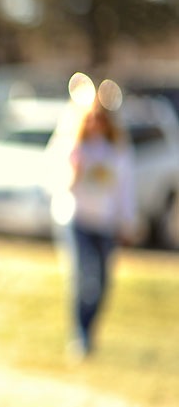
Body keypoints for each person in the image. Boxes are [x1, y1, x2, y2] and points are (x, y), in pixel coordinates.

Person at [52, 86, 135, 360]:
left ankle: (90, 330)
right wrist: (72, 175)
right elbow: (56, 184)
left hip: (106, 223)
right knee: (85, 278)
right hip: (78, 220)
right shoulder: (74, 147)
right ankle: (81, 334)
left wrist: (127, 221)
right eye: (89, 118)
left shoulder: (117, 151)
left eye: (99, 118)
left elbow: (124, 189)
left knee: (102, 282)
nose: (94, 123)